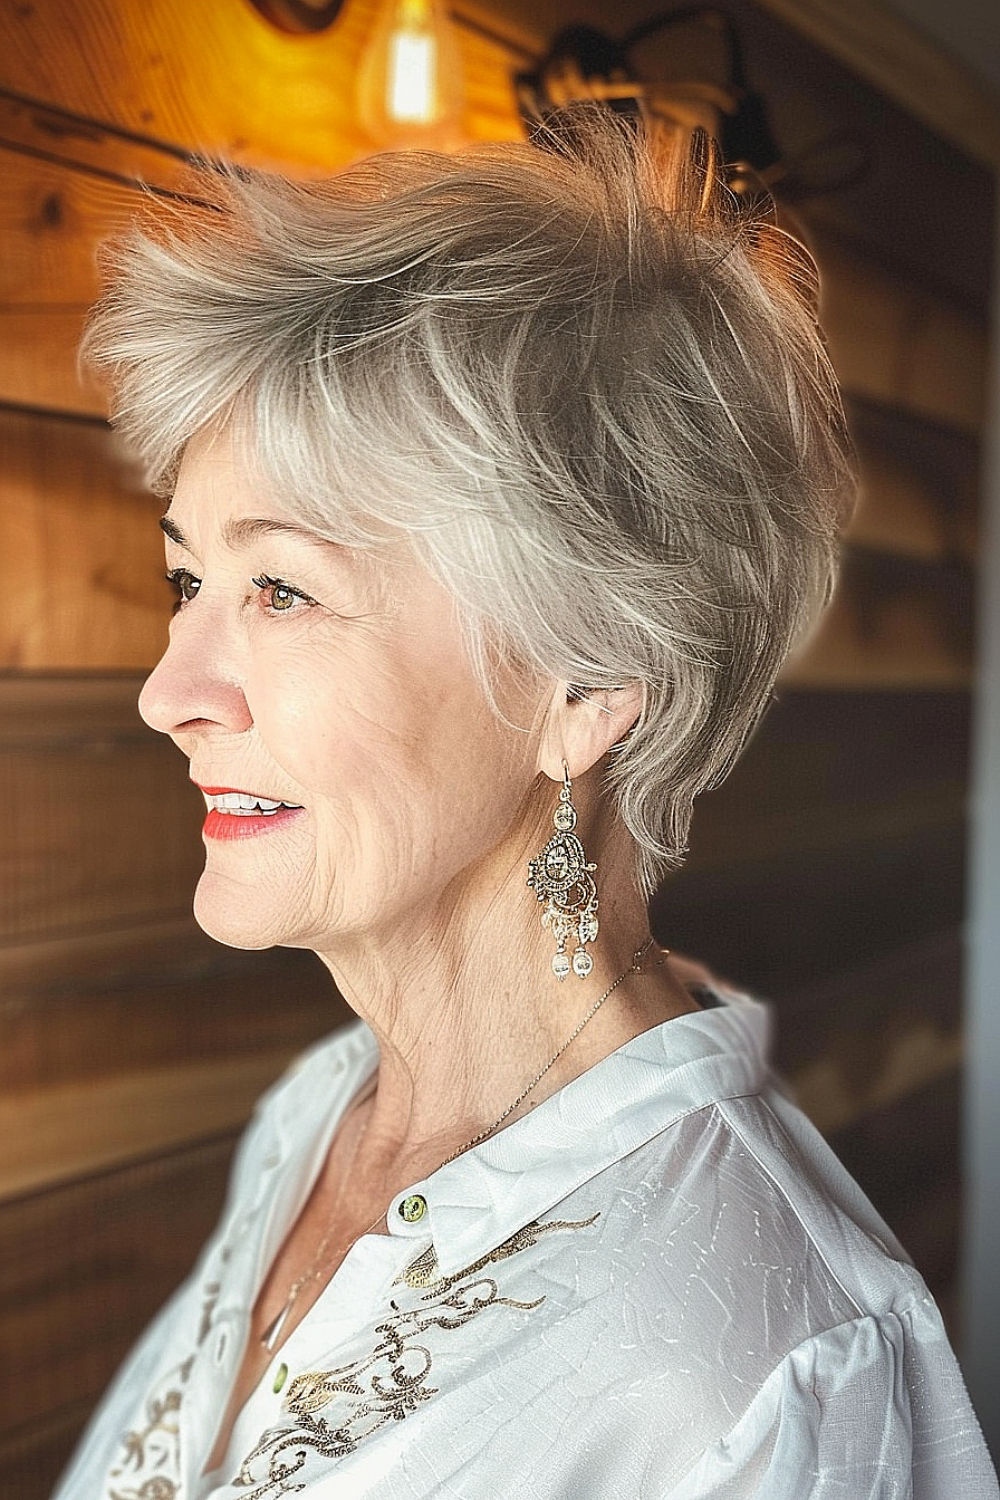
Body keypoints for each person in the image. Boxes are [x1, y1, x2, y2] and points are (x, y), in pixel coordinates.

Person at [53, 108, 995, 1500]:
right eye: (189, 578)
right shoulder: (317, 1118)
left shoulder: (765, 1379)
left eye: (283, 589)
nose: (169, 690)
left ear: (589, 683)